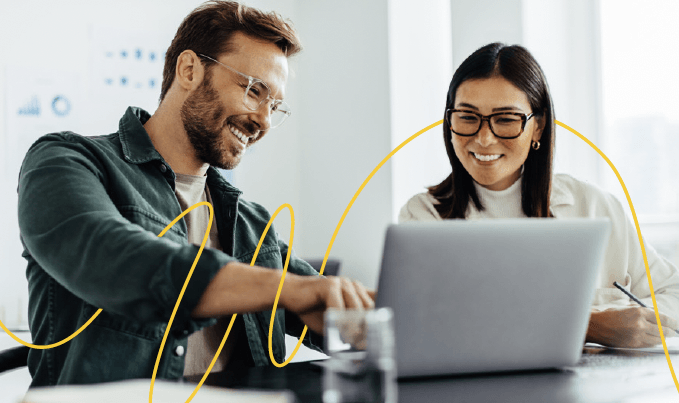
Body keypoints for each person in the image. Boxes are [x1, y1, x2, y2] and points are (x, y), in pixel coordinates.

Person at [18, 1, 373, 387]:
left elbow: (322, 299)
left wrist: (372, 316)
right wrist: (286, 289)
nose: (264, 121)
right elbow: (115, 258)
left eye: (275, 106)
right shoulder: (66, 160)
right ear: (189, 70)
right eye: (254, 91)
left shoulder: (251, 223)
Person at [399, 42, 679, 348]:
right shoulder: (423, 216)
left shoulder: (595, 207)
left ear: (538, 127)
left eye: (505, 119)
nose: (483, 138)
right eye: (467, 117)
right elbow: (426, 325)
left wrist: (634, 322)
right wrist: (588, 324)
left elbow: (674, 293)